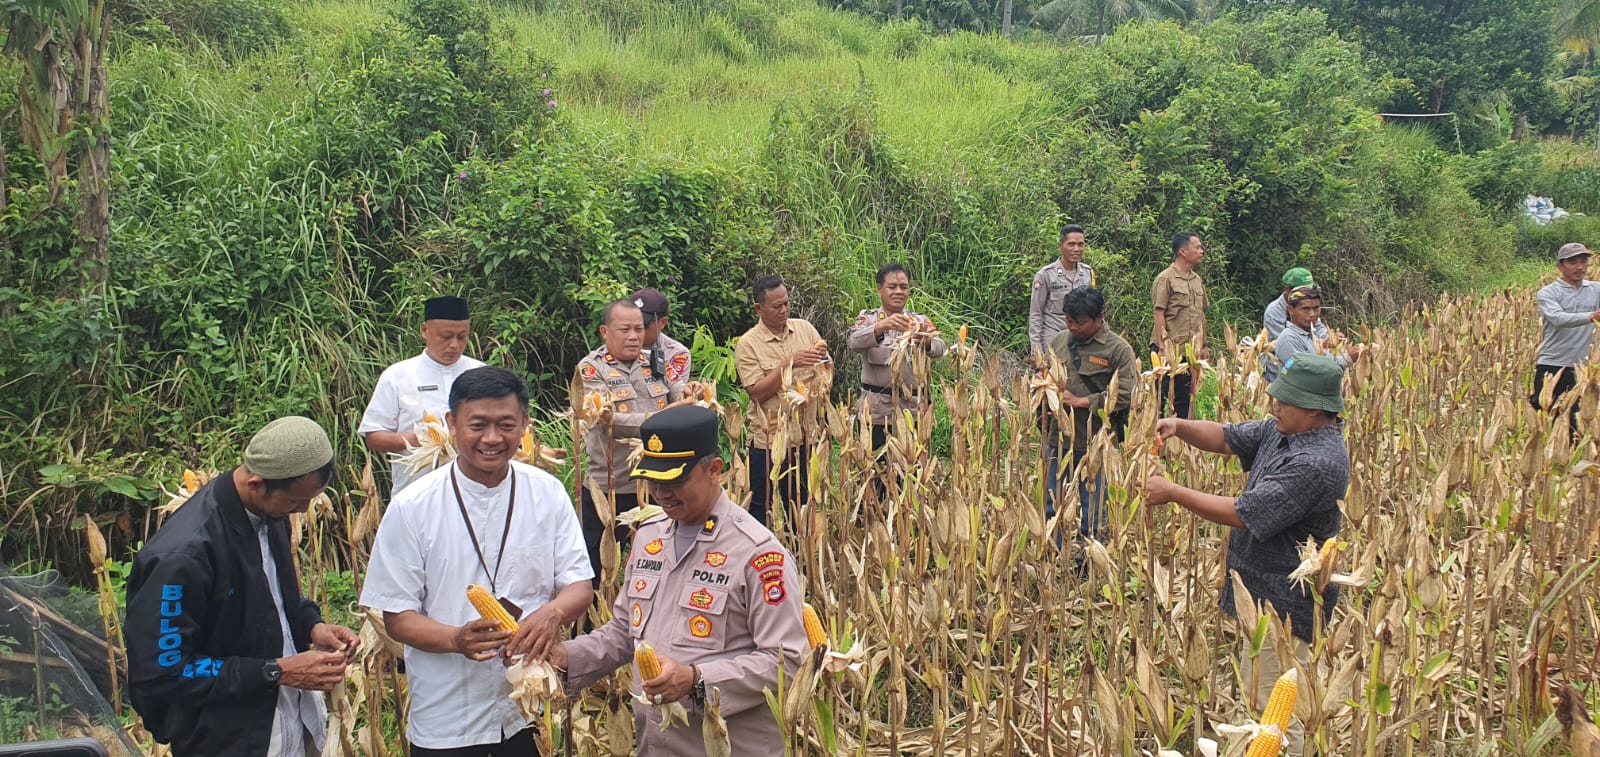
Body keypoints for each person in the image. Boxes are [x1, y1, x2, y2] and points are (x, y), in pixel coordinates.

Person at [360, 367, 594, 756]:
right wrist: (455, 639)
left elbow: (579, 585)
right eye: (478, 425)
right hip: (447, 713)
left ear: (525, 425)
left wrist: (553, 612)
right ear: (451, 424)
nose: (492, 438)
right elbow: (398, 617)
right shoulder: (411, 507)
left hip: (527, 707)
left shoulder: (547, 493)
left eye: (506, 425)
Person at [551, 405, 810, 754]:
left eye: (674, 481)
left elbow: (789, 661)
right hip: (656, 745)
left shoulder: (758, 554)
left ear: (714, 469)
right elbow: (625, 632)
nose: (660, 493)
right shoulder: (648, 537)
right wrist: (565, 658)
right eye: (652, 479)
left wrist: (696, 680)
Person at [1144, 354, 1350, 757]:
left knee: (1276, 715)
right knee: (1261, 702)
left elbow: (1245, 512)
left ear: (1314, 409)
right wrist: (1179, 426)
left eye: (1284, 399)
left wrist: (1172, 492)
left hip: (1285, 605)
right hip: (1259, 594)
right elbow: (1227, 437)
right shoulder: (1284, 429)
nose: (1275, 403)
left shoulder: (1317, 464)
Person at [127, 416, 359, 756]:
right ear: (256, 483)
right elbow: (164, 673)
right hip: (229, 740)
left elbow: (272, 600)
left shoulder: (269, 513)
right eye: (294, 502)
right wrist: (275, 671)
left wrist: (311, 624)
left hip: (294, 721)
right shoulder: (183, 556)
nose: (302, 510)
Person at [575, 299, 698, 586]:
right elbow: (607, 419)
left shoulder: (653, 360)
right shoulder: (590, 369)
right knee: (598, 566)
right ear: (605, 331)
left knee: (660, 557)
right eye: (625, 329)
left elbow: (674, 388)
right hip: (612, 485)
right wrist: (662, 419)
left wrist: (688, 392)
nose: (634, 336)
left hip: (656, 480)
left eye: (639, 329)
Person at [360, 295, 487, 493]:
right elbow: (374, 436)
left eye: (462, 337)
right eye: (446, 337)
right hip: (416, 492)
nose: (454, 345)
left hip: (475, 491)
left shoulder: (481, 373)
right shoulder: (398, 376)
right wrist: (419, 440)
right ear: (425, 330)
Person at [1043, 287, 1137, 550]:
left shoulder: (1118, 350)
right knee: (1053, 504)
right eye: (1069, 320)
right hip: (1059, 439)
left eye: (1080, 322)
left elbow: (1127, 394)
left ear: (1098, 319)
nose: (1073, 327)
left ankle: (1089, 560)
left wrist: (1081, 402)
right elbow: (1048, 376)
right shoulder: (1060, 341)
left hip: (1096, 442)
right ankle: (1053, 556)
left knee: (1093, 508)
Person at [734, 276, 829, 527]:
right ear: (759, 308)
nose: (784, 310)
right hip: (769, 440)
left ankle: (800, 548)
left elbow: (826, 372)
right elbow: (756, 393)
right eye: (777, 306)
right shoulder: (748, 344)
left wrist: (824, 365)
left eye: (787, 303)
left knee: (803, 501)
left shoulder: (805, 329)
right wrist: (788, 364)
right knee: (762, 506)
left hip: (806, 437)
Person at [847, 263, 946, 498]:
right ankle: (874, 516)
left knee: (912, 471)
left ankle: (908, 516)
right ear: (879, 289)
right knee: (875, 472)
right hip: (878, 411)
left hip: (913, 410)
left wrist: (924, 339)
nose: (899, 291)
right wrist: (882, 326)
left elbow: (940, 348)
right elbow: (854, 341)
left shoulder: (919, 320)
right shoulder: (869, 318)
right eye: (892, 287)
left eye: (904, 286)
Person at [1532, 243, 1600, 428]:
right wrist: (1591, 316)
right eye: (1573, 262)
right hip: (1554, 364)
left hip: (1584, 368)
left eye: (1583, 261)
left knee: (1579, 422)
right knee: (1550, 418)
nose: (1580, 267)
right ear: (1560, 266)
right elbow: (1558, 318)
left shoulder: (1596, 289)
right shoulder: (1548, 293)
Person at [1152, 232, 1210, 419]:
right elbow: (1159, 313)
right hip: (1170, 351)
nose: (1202, 251)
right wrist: (1163, 348)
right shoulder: (1166, 278)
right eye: (1197, 247)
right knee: (1163, 399)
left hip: (1190, 351)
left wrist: (1204, 345)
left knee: (1185, 400)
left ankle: (1182, 435)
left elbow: (1201, 314)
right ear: (1183, 251)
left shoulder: (1196, 280)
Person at [1029, 224, 1097, 363]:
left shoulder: (1087, 273)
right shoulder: (1046, 275)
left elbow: (1093, 310)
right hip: (1053, 339)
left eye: (1080, 244)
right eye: (1071, 244)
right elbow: (1036, 314)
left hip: (1081, 340)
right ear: (1060, 245)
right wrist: (1036, 350)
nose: (1077, 249)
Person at [1266, 287, 1359, 384]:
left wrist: (1348, 354)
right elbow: (1307, 374)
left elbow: (1324, 360)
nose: (1312, 314)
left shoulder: (1310, 335)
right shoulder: (1289, 338)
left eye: (1316, 308)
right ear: (1290, 310)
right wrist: (1347, 359)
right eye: (1305, 309)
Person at [632, 287, 693, 387]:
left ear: (663, 323)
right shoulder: (615, 346)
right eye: (629, 323)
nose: (634, 331)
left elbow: (676, 392)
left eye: (642, 325)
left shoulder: (677, 353)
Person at [1261, 268, 1329, 341]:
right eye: (1301, 291)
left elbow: (1318, 328)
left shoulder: (1310, 307)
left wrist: (1326, 338)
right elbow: (1285, 341)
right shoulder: (1273, 313)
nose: (1306, 294)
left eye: (1309, 290)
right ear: (1287, 289)